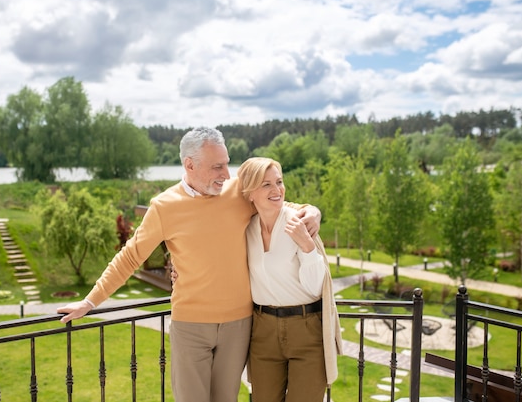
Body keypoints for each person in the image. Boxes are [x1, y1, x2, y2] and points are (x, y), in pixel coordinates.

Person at [56, 127, 321, 402]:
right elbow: (130, 256)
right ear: (190, 165)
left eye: (226, 163)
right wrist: (90, 301)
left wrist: (313, 210)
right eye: (217, 167)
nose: (227, 174)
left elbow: (275, 199)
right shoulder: (164, 207)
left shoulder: (237, 192)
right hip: (191, 326)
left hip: (239, 325)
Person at [238, 157, 342, 402]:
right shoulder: (246, 228)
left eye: (279, 182)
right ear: (250, 193)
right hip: (263, 331)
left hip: (306, 328)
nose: (277, 190)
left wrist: (307, 247)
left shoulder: (298, 221)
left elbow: (317, 287)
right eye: (266, 185)